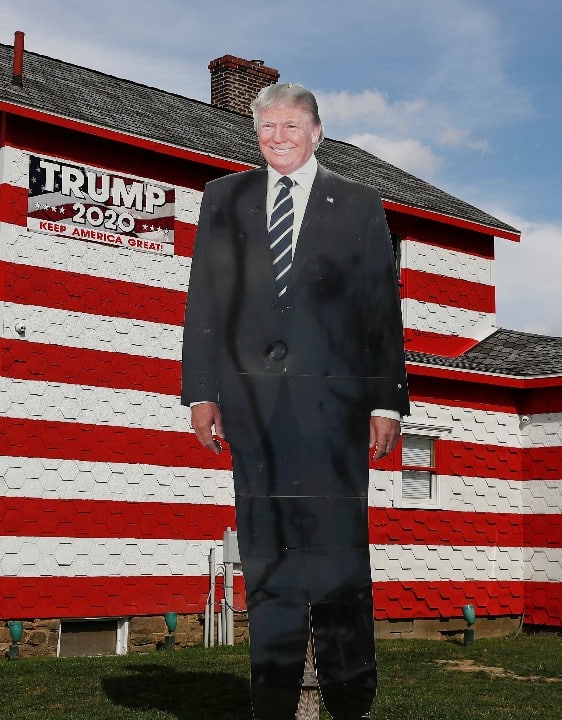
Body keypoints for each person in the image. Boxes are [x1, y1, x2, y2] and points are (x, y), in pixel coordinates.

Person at [181, 82, 409, 720]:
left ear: (317, 133)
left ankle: (350, 700)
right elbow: (206, 300)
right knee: (268, 558)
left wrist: (386, 403)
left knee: (338, 556)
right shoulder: (224, 200)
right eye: (267, 128)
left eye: (291, 126)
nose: (278, 138)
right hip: (253, 411)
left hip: (336, 414)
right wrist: (200, 392)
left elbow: (379, 312)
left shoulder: (359, 205)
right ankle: (273, 702)